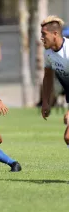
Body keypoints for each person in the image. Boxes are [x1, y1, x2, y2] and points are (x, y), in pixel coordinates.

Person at [41, 15, 69, 146]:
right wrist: (45, 102)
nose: (41, 38)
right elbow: (47, 77)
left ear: (55, 34)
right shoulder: (48, 53)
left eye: (44, 34)